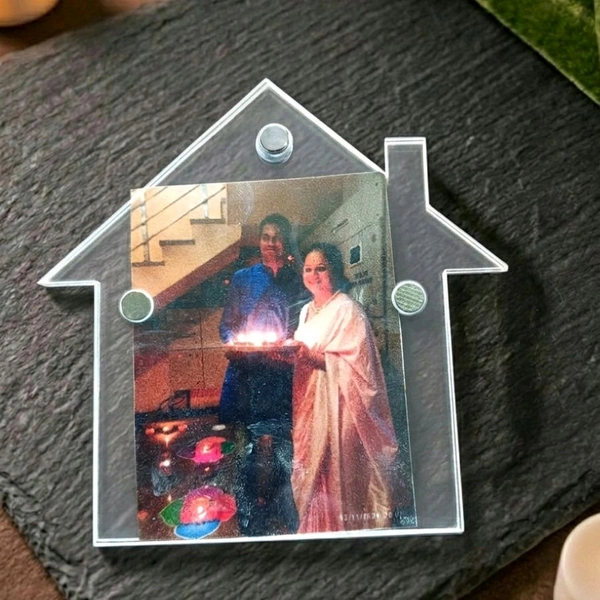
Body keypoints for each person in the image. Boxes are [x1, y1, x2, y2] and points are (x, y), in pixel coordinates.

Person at [291, 242, 399, 533]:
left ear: (335, 271)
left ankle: (342, 532)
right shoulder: (305, 311)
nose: (314, 275)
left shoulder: (349, 309)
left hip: (341, 406)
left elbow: (362, 368)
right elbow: (302, 356)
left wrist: (311, 357)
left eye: (321, 268)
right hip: (311, 404)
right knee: (313, 471)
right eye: (308, 269)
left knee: (336, 469)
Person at [218, 213, 308, 536]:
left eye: (278, 237)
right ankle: (249, 515)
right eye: (266, 237)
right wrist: (233, 344)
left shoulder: (297, 281)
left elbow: (302, 327)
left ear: (286, 242)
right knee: (249, 448)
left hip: (282, 377)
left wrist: (291, 345)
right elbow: (227, 326)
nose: (272, 243)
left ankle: (283, 507)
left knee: (283, 447)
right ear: (259, 241)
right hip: (248, 377)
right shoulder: (243, 279)